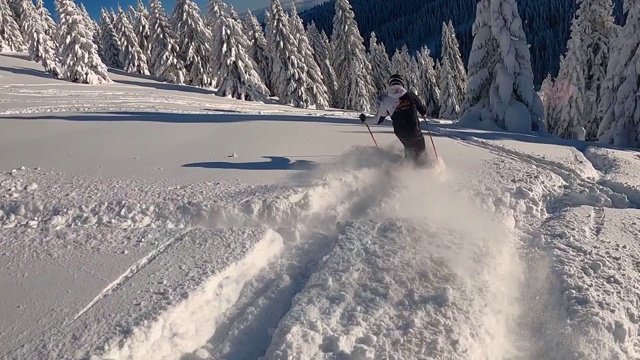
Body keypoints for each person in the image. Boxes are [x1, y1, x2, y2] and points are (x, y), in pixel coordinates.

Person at [359, 74, 431, 166]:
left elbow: (378, 120)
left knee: (409, 150)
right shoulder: (410, 95)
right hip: (414, 130)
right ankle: (423, 171)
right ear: (402, 84)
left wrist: (365, 120)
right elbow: (423, 111)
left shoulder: (386, 101)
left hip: (400, 132)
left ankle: (404, 171)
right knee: (421, 153)